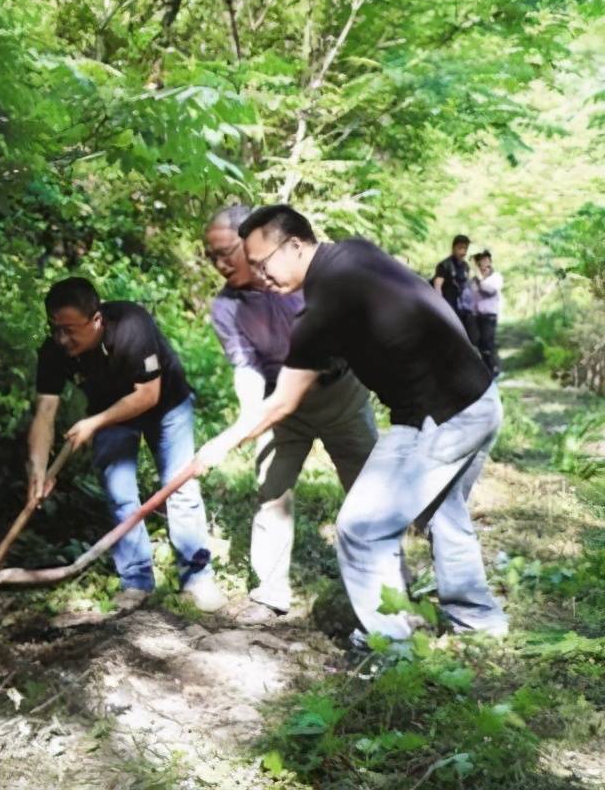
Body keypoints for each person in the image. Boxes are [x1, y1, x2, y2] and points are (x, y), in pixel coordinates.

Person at [194, 205, 508, 642]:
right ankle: (480, 624)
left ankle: (391, 645)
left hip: (439, 419)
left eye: (262, 264)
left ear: (296, 245)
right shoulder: (356, 254)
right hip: (479, 399)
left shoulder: (322, 308)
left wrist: (219, 445)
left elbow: (282, 400)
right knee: (443, 513)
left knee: (360, 529)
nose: (259, 275)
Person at [205, 205, 378, 621]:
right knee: (271, 492)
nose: (220, 263)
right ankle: (269, 592)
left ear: (252, 245)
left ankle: (386, 590)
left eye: (228, 251)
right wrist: (249, 423)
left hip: (340, 396)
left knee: (369, 491)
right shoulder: (226, 308)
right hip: (277, 408)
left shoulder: (305, 279)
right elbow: (245, 370)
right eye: (210, 256)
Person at [27, 277, 225, 611]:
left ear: (97, 320)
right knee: (119, 493)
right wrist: (37, 471)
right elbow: (45, 413)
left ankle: (197, 577)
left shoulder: (132, 324)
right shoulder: (54, 351)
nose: (62, 338)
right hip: (110, 413)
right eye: (55, 328)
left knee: (180, 488)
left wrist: (94, 423)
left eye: (70, 330)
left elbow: (148, 395)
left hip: (166, 406)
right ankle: (136, 581)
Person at [433, 235, 475, 339]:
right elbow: (437, 285)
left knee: (466, 336)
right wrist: (440, 306)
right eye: (460, 248)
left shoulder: (466, 266)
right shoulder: (444, 265)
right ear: (453, 248)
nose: (463, 251)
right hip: (448, 306)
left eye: (465, 248)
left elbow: (467, 286)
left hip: (463, 308)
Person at [471, 250, 502, 377]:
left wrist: (479, 280)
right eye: (481, 262)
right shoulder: (474, 279)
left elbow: (490, 292)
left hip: (489, 316)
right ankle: (486, 370)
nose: (483, 264)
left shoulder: (496, 277)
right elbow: (471, 296)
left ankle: (493, 369)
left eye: (486, 261)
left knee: (488, 342)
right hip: (476, 316)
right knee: (479, 343)